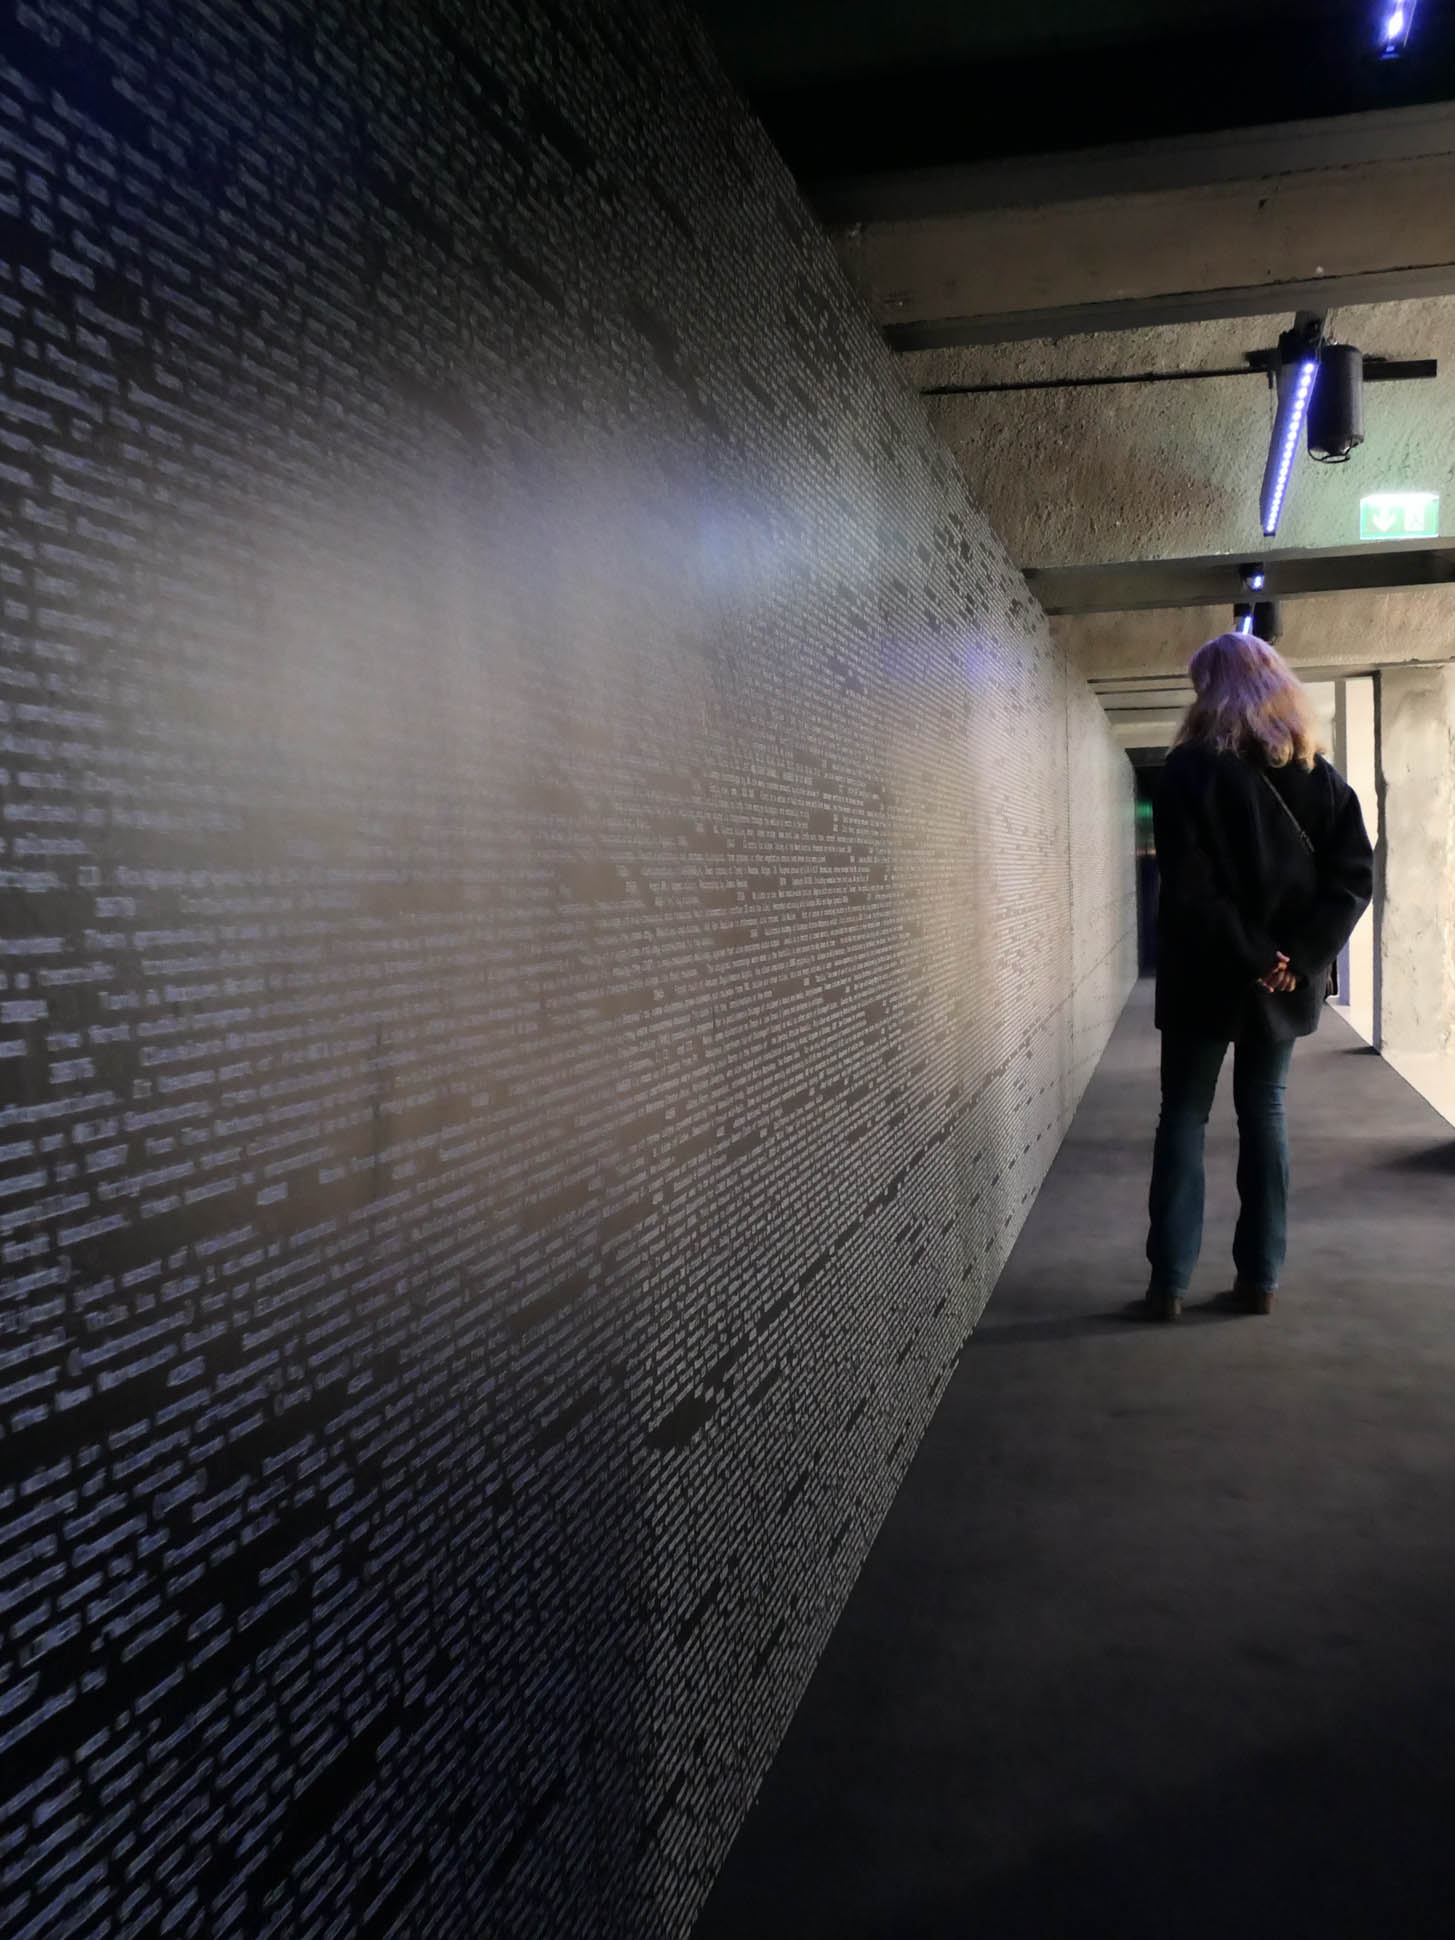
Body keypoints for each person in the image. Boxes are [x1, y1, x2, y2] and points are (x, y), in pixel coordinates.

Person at [1144, 631, 1374, 1321]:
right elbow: (1351, 880)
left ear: (1209, 690)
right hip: (1281, 982)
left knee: (1183, 1115)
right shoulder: (1320, 779)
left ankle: (1169, 1283)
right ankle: (1260, 1278)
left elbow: (1188, 887)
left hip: (1202, 973)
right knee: (1263, 1113)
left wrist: (1251, 956)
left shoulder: (1185, 771)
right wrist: (1294, 961)